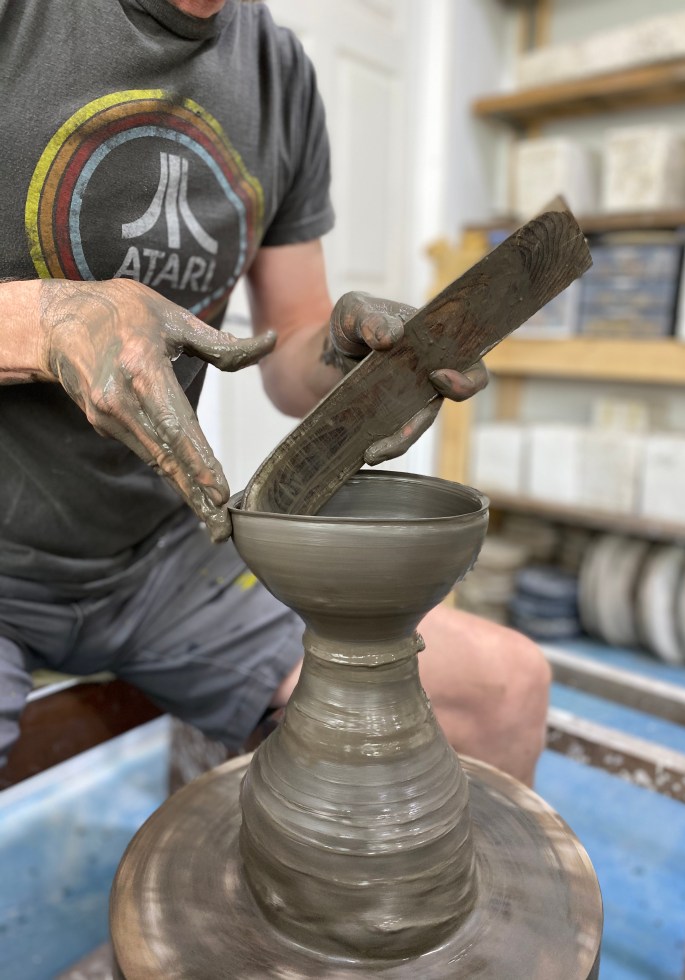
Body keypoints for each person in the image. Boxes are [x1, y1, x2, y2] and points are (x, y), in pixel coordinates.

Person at [0, 0, 550, 788]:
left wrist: (351, 363)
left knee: (501, 692)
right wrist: (46, 319)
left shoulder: (276, 71)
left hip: (161, 557)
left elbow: (289, 347)